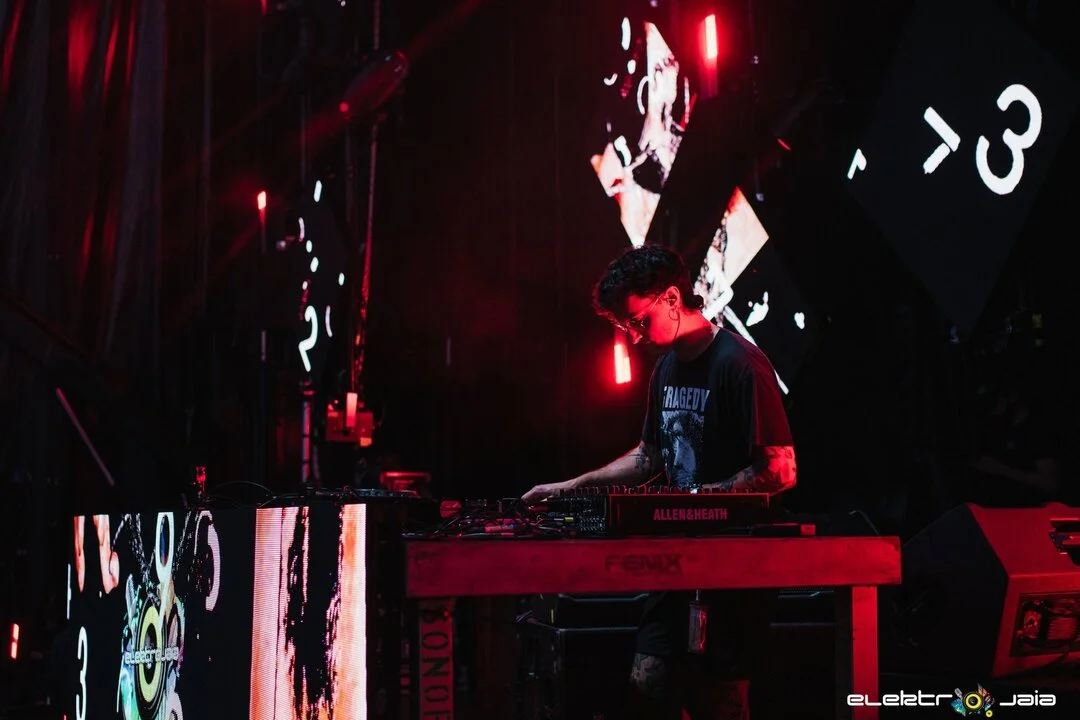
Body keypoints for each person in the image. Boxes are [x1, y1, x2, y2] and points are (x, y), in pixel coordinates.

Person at [522, 245, 797, 720]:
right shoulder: (666, 368)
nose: (634, 338)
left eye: (638, 322)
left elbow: (781, 470)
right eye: (627, 327)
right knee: (647, 686)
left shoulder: (740, 365)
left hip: (734, 567)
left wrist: (699, 499)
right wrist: (570, 486)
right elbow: (649, 455)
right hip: (678, 562)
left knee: (721, 700)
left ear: (672, 299)